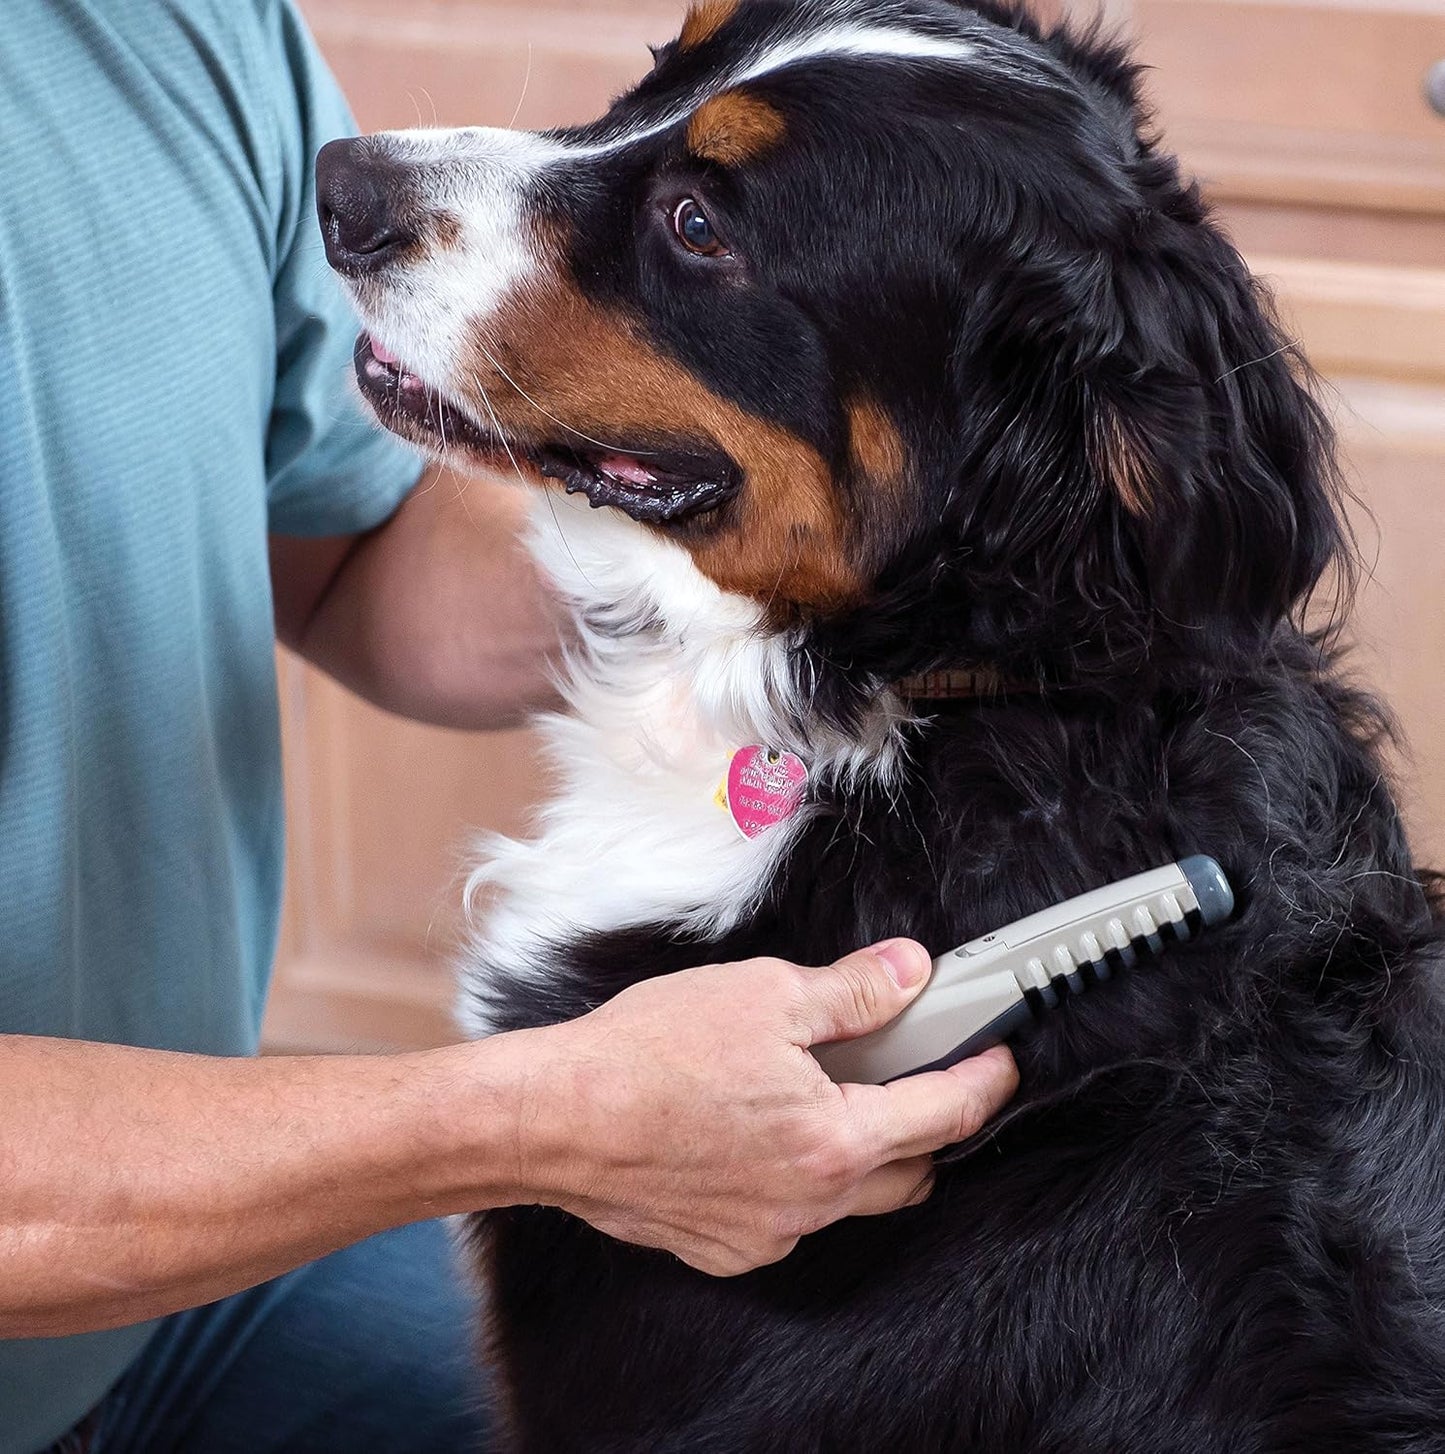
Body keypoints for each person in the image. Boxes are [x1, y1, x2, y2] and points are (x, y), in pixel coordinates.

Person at [0, 2, 1019, 1451]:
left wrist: (909, 549)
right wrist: (541, 1124)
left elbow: (366, 564)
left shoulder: (157, 28)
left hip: (178, 1283)